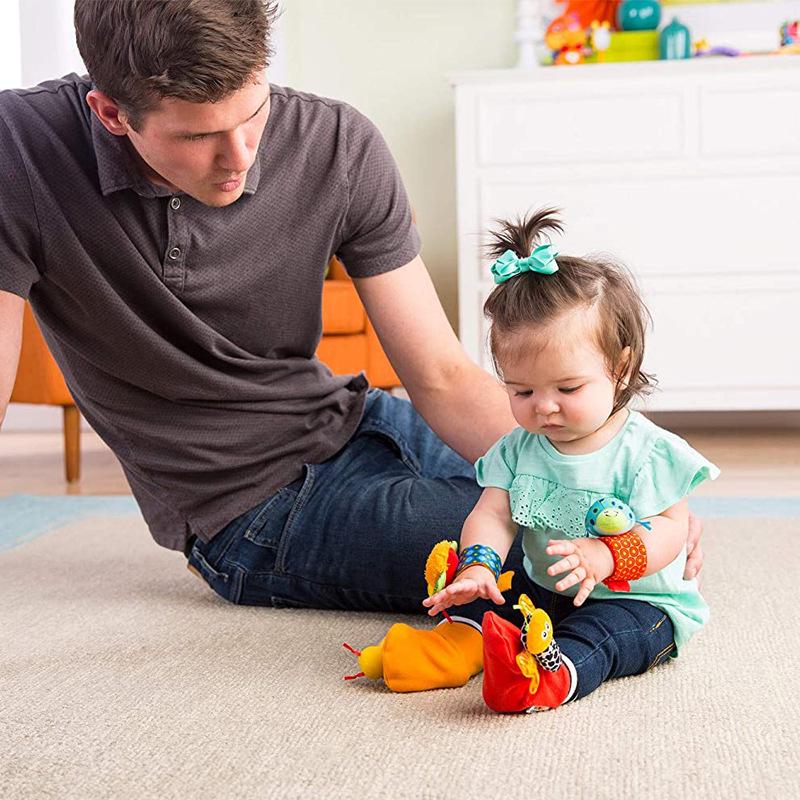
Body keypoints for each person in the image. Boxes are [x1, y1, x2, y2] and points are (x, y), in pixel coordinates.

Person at [0, 1, 704, 695]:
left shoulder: (337, 143)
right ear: (112, 114)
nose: (239, 158)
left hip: (363, 418)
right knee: (543, 567)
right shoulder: (21, 151)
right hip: (250, 508)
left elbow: (439, 373)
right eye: (198, 137)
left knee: (601, 536)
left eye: (253, 114)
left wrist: (612, 476)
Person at [421, 209, 718, 712]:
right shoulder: (519, 450)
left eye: (568, 387)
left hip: (639, 602)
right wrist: (478, 566)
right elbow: (492, 514)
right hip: (548, 590)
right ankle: (463, 647)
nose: (544, 406)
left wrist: (605, 558)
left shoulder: (647, 453)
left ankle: (556, 678)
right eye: (521, 390)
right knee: (496, 606)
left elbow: (671, 531)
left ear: (620, 368)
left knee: (603, 637)